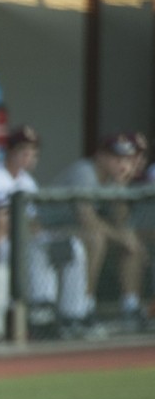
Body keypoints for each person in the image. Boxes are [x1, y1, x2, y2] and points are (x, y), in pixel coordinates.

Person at [0, 125, 94, 336]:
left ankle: (73, 314)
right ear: (10, 151)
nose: (30, 156)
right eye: (24, 150)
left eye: (34, 152)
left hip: (27, 240)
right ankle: (41, 314)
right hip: (2, 244)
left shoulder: (27, 182)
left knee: (74, 246)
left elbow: (34, 222)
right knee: (38, 249)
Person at [54, 133, 149, 330]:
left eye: (125, 159)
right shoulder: (85, 172)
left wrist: (120, 189)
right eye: (116, 158)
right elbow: (87, 219)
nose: (122, 164)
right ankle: (84, 307)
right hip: (49, 230)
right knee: (97, 239)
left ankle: (130, 306)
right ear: (100, 156)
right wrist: (122, 238)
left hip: (73, 233)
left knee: (130, 240)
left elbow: (120, 220)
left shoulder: (113, 179)